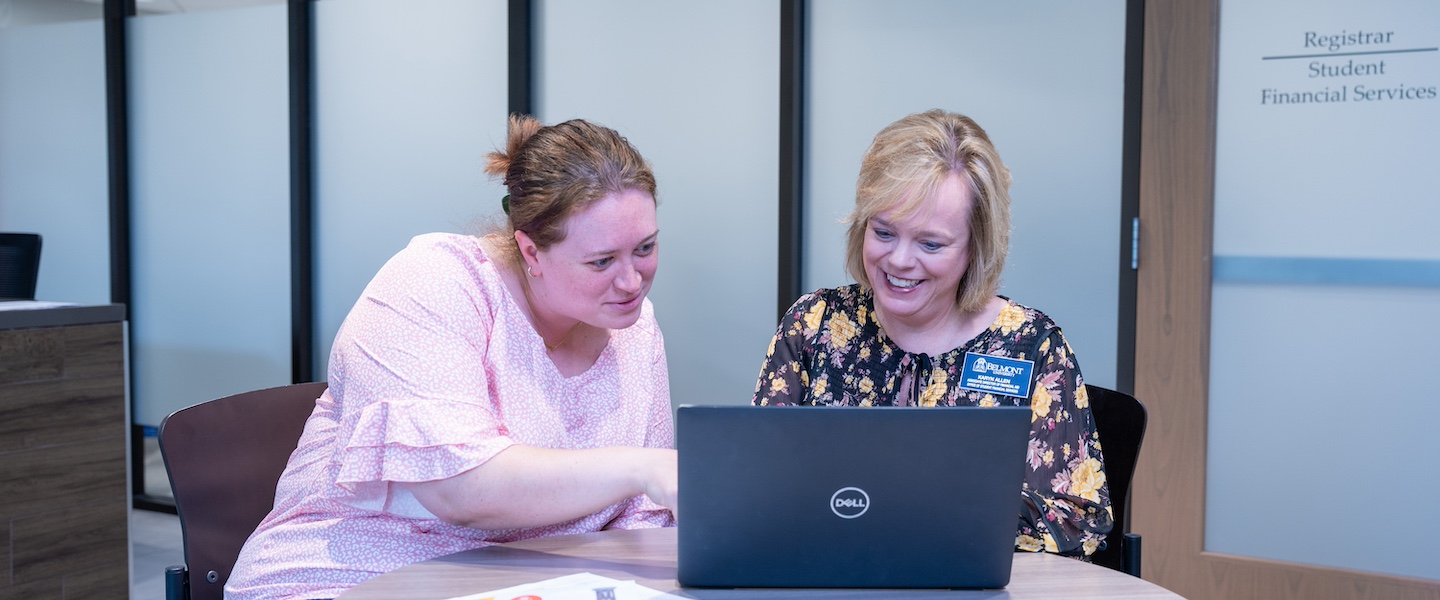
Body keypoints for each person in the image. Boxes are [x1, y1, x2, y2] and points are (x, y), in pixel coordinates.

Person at [227, 116, 677, 599]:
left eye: (645, 249)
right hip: (353, 575)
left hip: (535, 581)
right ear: (531, 251)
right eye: (602, 261)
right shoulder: (435, 286)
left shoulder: (633, 326)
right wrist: (644, 467)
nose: (632, 281)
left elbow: (641, 524)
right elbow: (461, 491)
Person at [753, 109, 1113, 558]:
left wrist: (932, 511)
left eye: (931, 244)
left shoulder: (1029, 348)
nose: (900, 261)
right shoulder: (816, 325)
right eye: (883, 232)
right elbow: (756, 483)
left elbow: (1080, 520)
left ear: (974, 249)